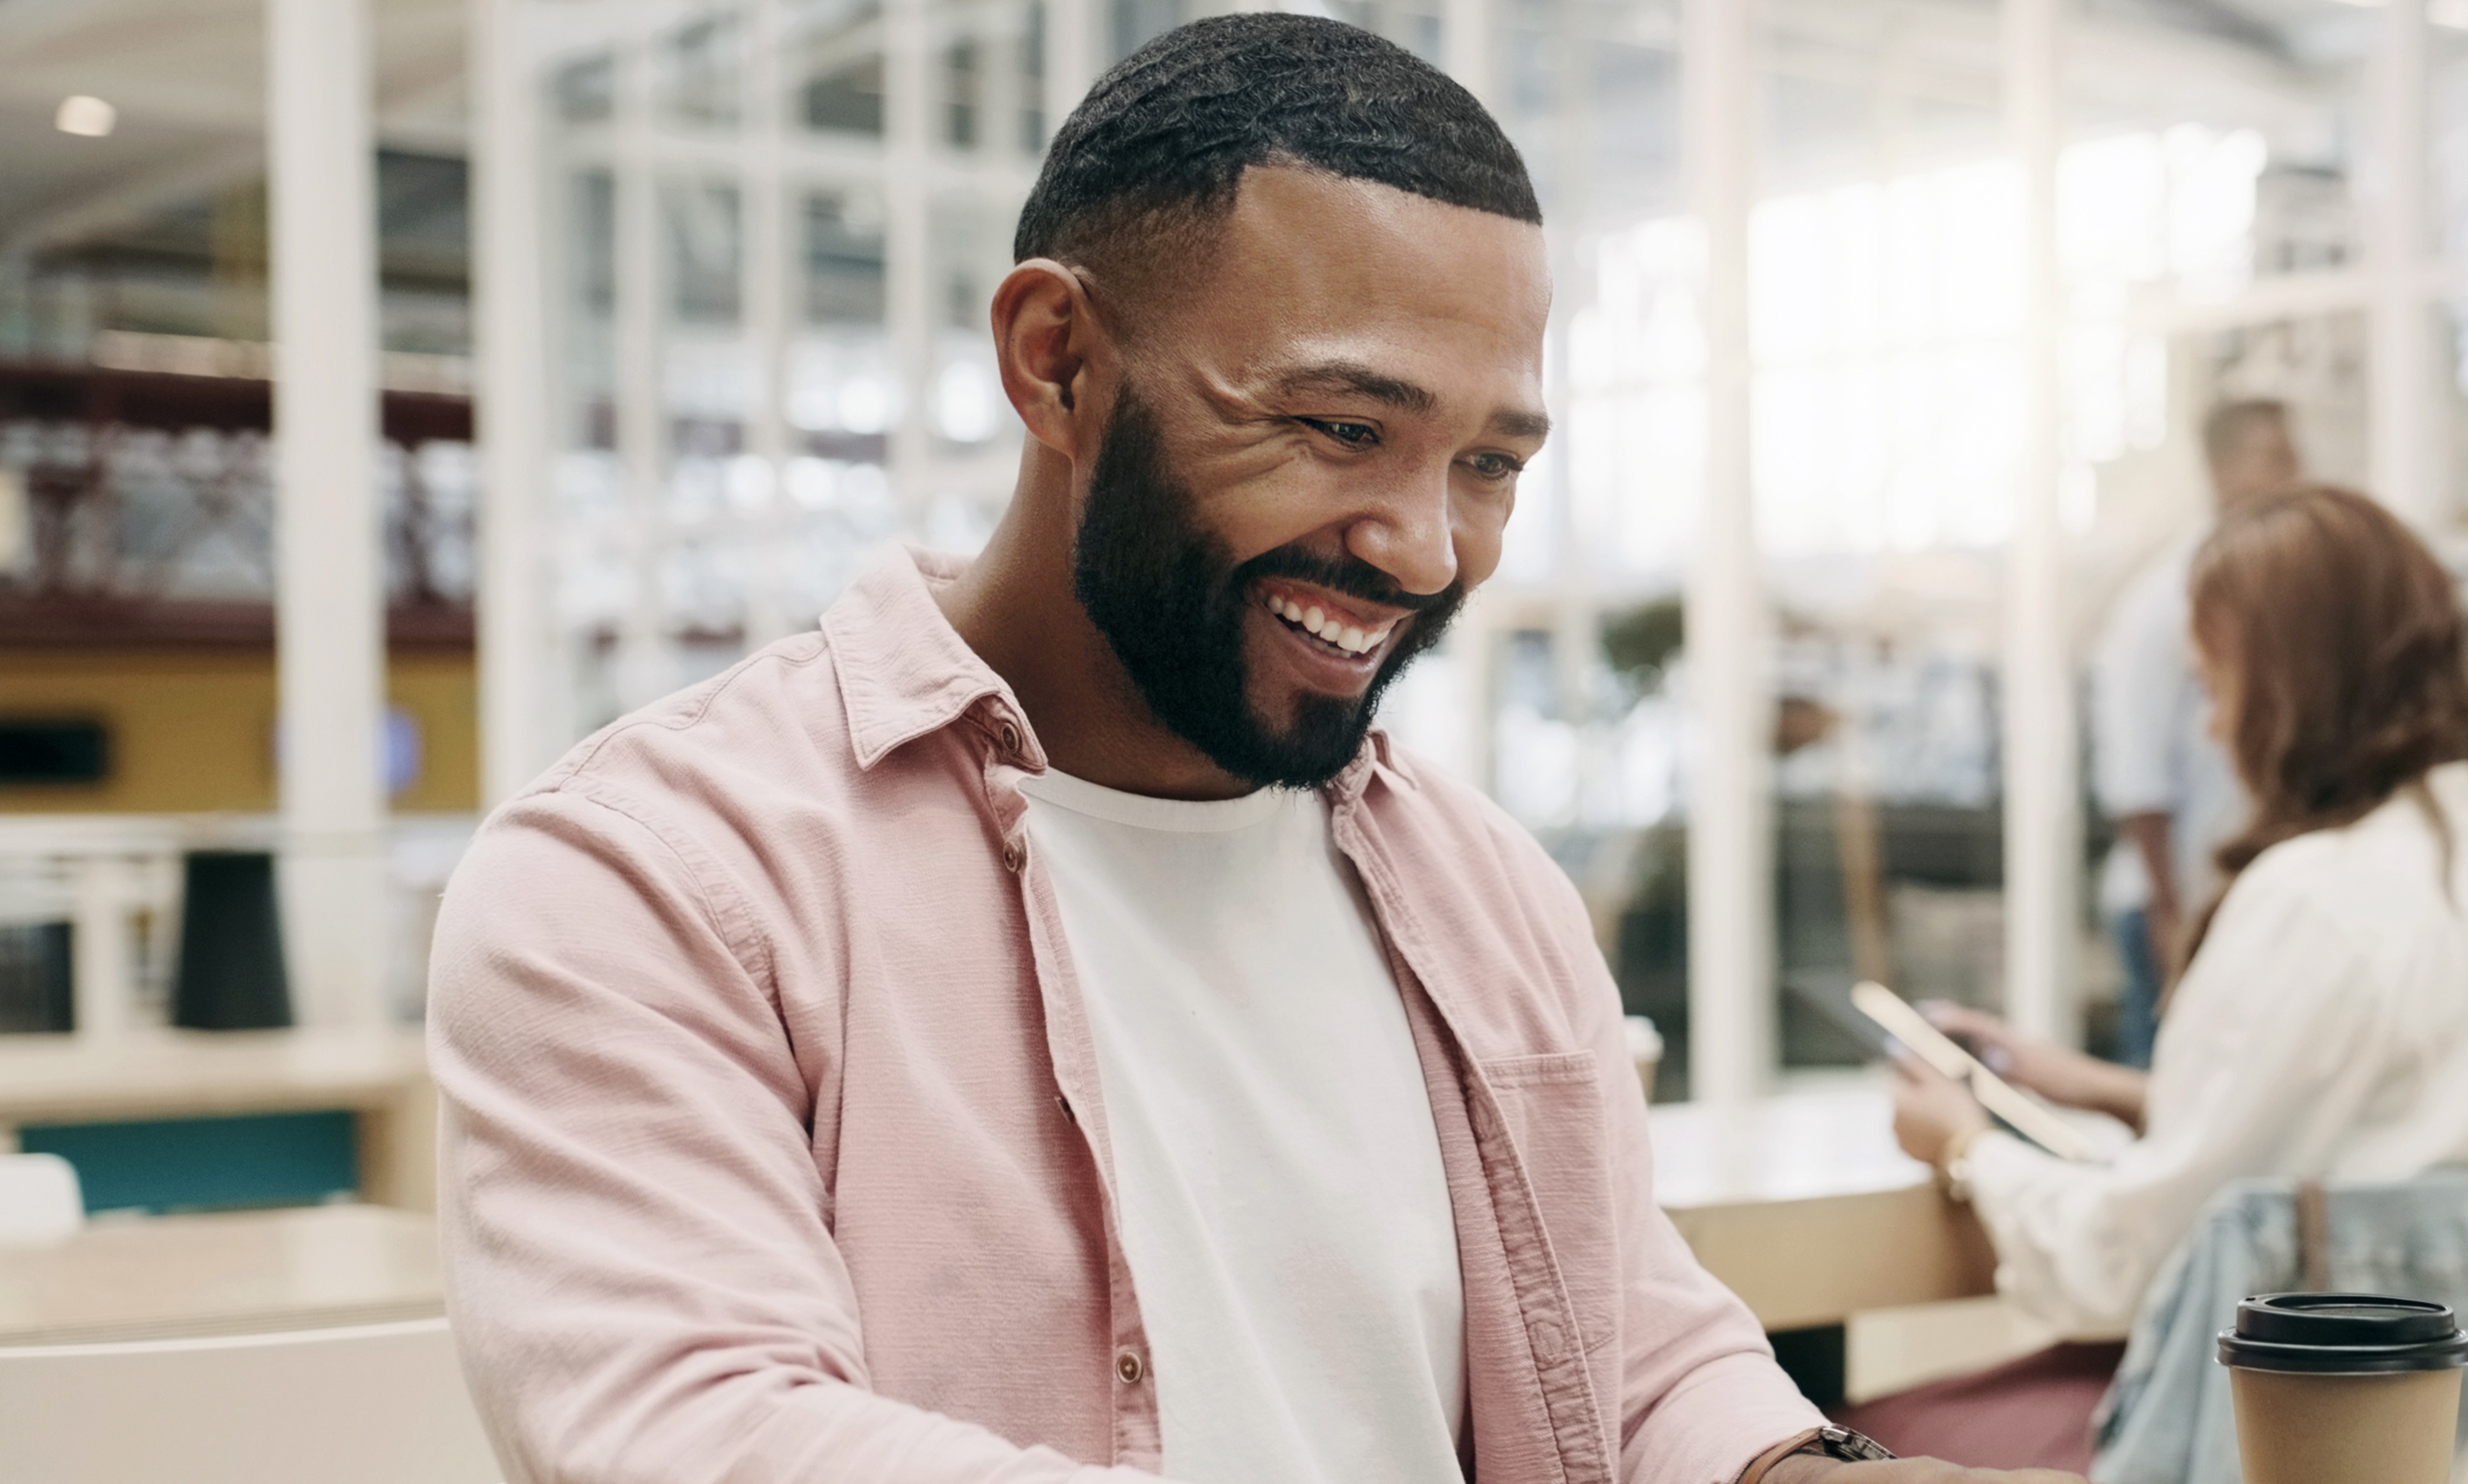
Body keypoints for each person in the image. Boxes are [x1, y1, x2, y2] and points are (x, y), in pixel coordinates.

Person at [429, 18, 2083, 1484]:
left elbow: (1623, 1344)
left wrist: (1806, 1466)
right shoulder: (650, 878)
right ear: (1055, 360)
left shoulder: (1478, 885)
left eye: (1490, 463)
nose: (1426, 548)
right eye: (1341, 428)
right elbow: (698, 1426)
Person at [1859, 483, 2468, 1470]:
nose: (2214, 730)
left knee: (1821, 1428)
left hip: (2296, 1435)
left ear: (2288, 687)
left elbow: (2129, 1263)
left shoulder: (2308, 897)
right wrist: (2112, 1089)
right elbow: (2395, 1140)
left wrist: (1966, 1148)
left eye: (2214, 686)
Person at [2088, 399, 2300, 1066]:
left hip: (2237, 899)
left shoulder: (2271, 585)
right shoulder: (2166, 600)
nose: (2293, 475)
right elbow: (2136, 774)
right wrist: (2169, 913)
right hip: (2174, 899)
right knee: (2171, 1098)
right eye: (2275, 457)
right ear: (2221, 468)